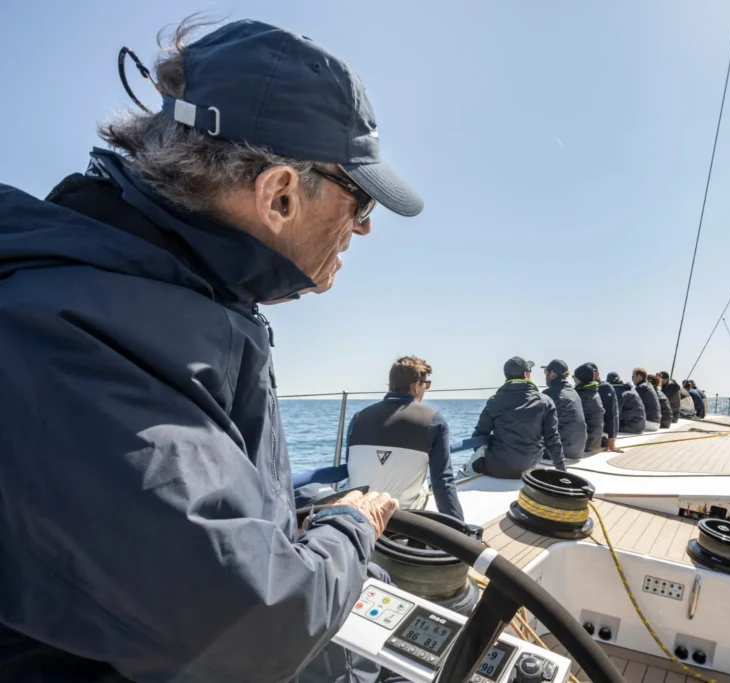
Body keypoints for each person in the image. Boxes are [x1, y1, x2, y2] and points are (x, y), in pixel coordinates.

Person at [0, 18, 418, 683]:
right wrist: (349, 526)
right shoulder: (71, 340)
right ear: (279, 194)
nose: (363, 227)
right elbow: (256, 627)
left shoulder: (156, 296)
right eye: (360, 200)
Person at [345, 356, 463, 521]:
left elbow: (351, 465)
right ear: (416, 386)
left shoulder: (358, 418)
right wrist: (458, 526)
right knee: (424, 484)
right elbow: (442, 481)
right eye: (426, 384)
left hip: (358, 511)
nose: (425, 389)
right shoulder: (434, 421)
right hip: (401, 517)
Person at [470, 357, 565, 477]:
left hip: (497, 468)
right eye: (529, 371)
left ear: (506, 376)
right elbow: (552, 439)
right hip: (529, 467)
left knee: (469, 465)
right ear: (525, 374)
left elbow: (479, 435)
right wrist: (562, 471)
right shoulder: (545, 401)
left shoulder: (494, 401)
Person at [542, 359, 587, 460]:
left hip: (562, 452)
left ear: (552, 374)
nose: (545, 376)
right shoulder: (574, 392)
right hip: (577, 451)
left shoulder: (548, 394)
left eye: (546, 372)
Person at [585, 362, 621, 452]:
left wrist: (611, 442)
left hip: (604, 435)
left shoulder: (605, 388)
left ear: (597, 373)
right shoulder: (585, 388)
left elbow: (611, 415)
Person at [574, 364, 605, 455]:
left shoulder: (582, 395)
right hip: (595, 442)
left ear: (580, 379)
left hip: (586, 445)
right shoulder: (594, 392)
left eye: (574, 377)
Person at [633, 367, 662, 431]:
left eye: (633, 377)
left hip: (649, 422)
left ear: (638, 376)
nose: (632, 379)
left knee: (621, 423)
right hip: (655, 422)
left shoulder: (641, 388)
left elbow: (632, 405)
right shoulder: (648, 385)